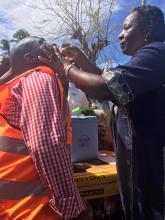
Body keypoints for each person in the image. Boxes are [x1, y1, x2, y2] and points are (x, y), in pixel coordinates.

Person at [40, 5, 165, 220]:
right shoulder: (144, 63)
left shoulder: (157, 53)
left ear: (147, 30)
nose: (120, 33)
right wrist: (80, 59)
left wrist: (67, 69)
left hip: (154, 174)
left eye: (126, 27)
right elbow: (109, 80)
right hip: (142, 171)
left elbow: (109, 88)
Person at [0, 36, 85, 220]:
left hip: (15, 207)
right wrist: (72, 207)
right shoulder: (39, 77)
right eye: (45, 44)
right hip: (32, 210)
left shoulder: (20, 84)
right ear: (32, 58)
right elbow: (46, 145)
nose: (55, 49)